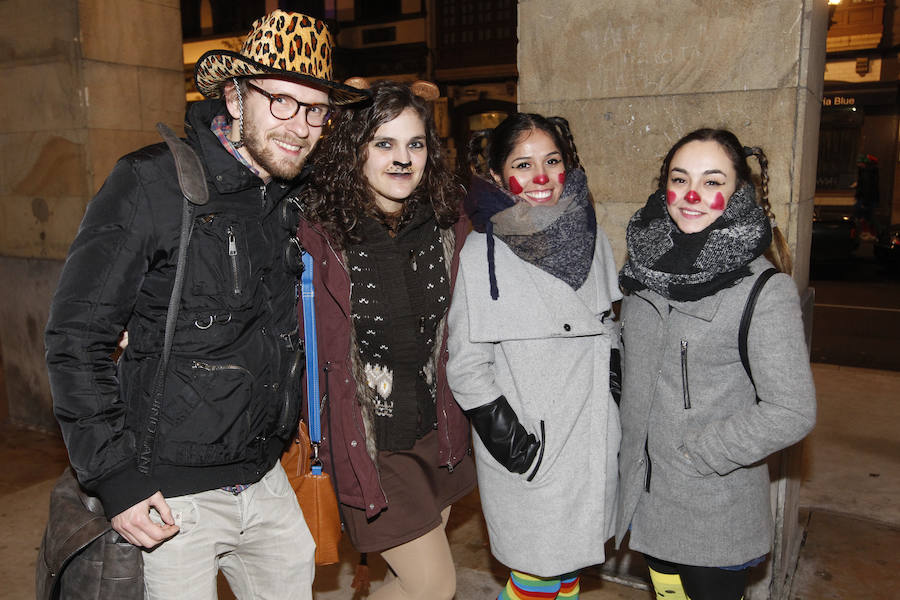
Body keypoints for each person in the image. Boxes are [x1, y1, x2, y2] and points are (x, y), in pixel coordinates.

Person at [44, 10, 368, 600]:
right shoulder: (151, 182)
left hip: (267, 481)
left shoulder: (291, 198)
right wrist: (114, 479)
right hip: (167, 498)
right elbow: (75, 337)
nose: (300, 126)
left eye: (316, 109)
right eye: (282, 102)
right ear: (236, 96)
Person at [615, 128, 817, 600]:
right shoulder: (645, 270)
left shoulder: (763, 290)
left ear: (738, 193)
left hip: (712, 509)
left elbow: (792, 410)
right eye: (679, 178)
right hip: (647, 503)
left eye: (712, 181)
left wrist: (699, 454)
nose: (691, 195)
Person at [296, 80, 475, 600]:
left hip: (437, 431)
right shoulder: (317, 232)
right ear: (355, 150)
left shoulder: (446, 221)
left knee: (408, 581)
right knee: (433, 586)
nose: (403, 159)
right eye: (384, 144)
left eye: (414, 144)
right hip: (370, 443)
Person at [446, 113, 622, 599]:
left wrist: (612, 397)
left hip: (590, 442)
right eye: (524, 164)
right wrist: (517, 448)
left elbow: (610, 328)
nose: (541, 177)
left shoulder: (592, 237)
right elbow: (465, 364)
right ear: (501, 177)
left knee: (566, 575)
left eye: (552, 161)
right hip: (534, 449)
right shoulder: (481, 253)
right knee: (535, 578)